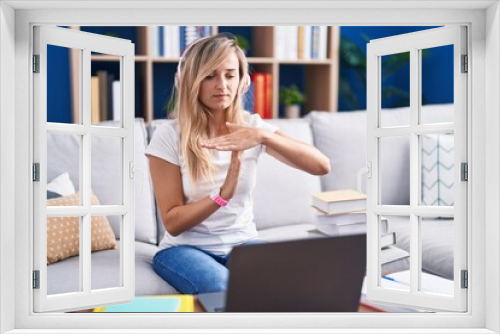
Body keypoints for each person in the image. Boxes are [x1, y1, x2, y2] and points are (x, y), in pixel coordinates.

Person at [145, 33, 331, 295]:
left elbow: (321, 165)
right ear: (192, 81)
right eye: (210, 75)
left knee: (292, 282)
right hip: (183, 249)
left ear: (243, 82)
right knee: (224, 288)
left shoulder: (252, 128)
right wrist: (222, 196)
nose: (222, 85)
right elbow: (173, 222)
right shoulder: (169, 135)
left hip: (243, 243)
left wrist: (263, 135)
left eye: (230, 75)